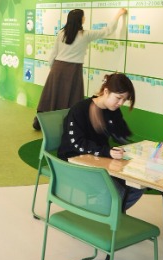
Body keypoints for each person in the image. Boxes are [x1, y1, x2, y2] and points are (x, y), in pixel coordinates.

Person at [58, 72, 143, 211]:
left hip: (99, 161)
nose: (120, 103)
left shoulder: (113, 110)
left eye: (124, 100)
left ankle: (107, 212)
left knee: (136, 186)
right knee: (115, 189)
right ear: (106, 91)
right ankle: (103, 214)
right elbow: (77, 144)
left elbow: (121, 135)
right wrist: (107, 151)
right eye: (118, 98)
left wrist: (140, 147)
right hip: (73, 162)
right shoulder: (79, 109)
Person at [33, 7, 127, 130]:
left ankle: (40, 122)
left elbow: (53, 54)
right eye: (83, 16)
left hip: (57, 68)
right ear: (80, 20)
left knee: (52, 95)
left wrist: (53, 71)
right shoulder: (85, 35)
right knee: (72, 98)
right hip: (73, 70)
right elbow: (107, 31)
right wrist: (119, 14)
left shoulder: (61, 33)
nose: (85, 18)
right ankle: (67, 125)